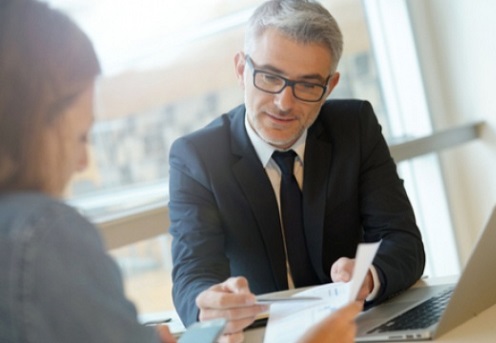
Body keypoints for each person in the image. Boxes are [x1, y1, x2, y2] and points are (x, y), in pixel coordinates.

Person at [0, 1, 361, 343]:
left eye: (307, 85)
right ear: (33, 125)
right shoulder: (44, 233)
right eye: (80, 137)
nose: (81, 162)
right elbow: (192, 271)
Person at [169, 0, 426, 340]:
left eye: (307, 85)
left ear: (330, 87)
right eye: (269, 77)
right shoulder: (197, 157)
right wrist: (207, 306)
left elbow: (402, 241)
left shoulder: (355, 128)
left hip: (354, 330)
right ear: (241, 70)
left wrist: (369, 276)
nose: (284, 103)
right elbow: (193, 272)